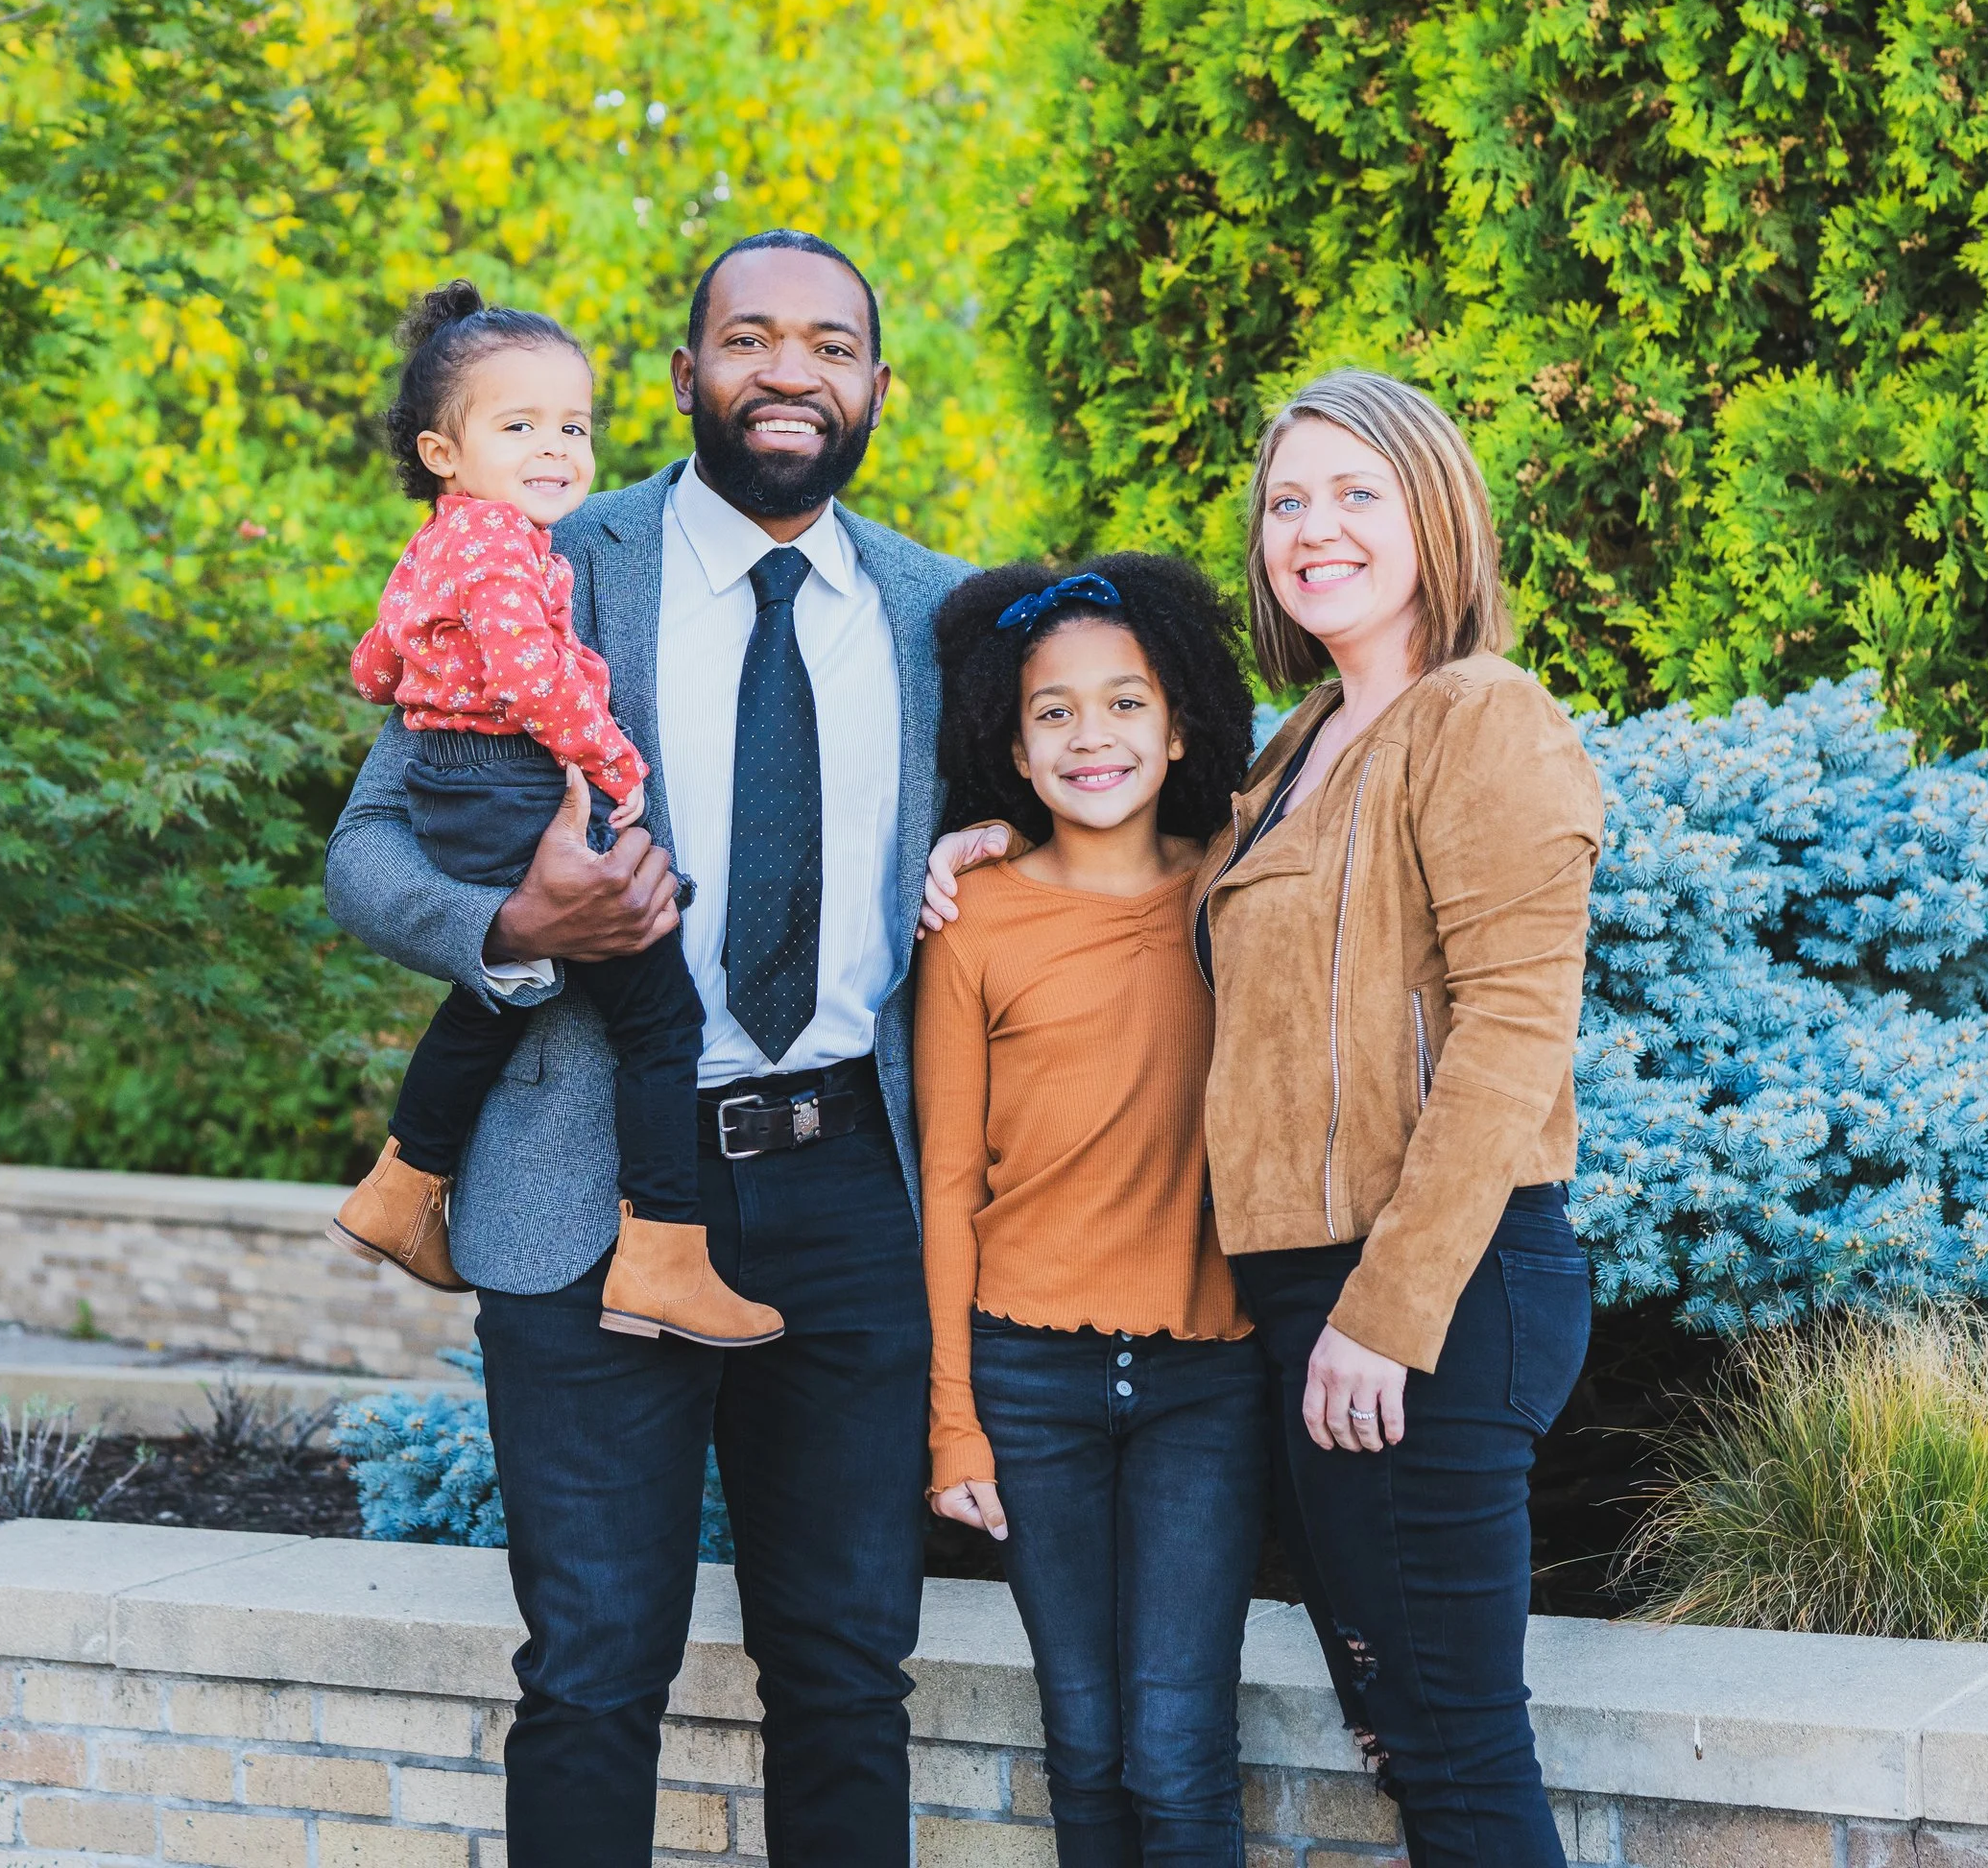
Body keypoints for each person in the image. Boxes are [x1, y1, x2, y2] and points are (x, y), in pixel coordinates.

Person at [324, 230, 970, 1868]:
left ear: (878, 389)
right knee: (596, 1664)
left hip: (848, 1199)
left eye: (830, 344)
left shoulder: (942, 612)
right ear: (686, 377)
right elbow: (369, 853)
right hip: (585, 1188)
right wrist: (521, 934)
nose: (789, 371)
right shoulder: (545, 550)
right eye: (747, 338)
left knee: (844, 1667)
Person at [926, 370, 1603, 1868]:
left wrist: (1391, 1309)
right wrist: (990, 823)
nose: (1318, 529)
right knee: (1404, 1732)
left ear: (1437, 513)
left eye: (1358, 493)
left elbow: (1510, 1037)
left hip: (1437, 1286)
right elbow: (1132, 848)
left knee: (1462, 1739)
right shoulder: (1296, 753)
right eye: (1288, 502)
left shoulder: (1481, 718)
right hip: (1304, 1297)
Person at [328, 281, 778, 1348]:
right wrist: (616, 764)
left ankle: (400, 1187)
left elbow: (378, 658)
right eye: (519, 425)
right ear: (443, 450)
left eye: (572, 426)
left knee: (505, 994)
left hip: (455, 780)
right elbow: (539, 684)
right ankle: (663, 1249)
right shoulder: (507, 548)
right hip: (512, 782)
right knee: (660, 1016)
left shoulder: (442, 540)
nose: (556, 449)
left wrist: (420, 686)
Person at [919, 556, 1261, 1865]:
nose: (1092, 736)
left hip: (1205, 1383)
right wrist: (955, 1421)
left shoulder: (1238, 886)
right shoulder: (974, 919)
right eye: (1053, 711)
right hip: (1027, 1379)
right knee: (1087, 1744)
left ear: (1180, 728)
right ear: (1012, 740)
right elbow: (948, 1184)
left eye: (1127, 704)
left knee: (1178, 1755)